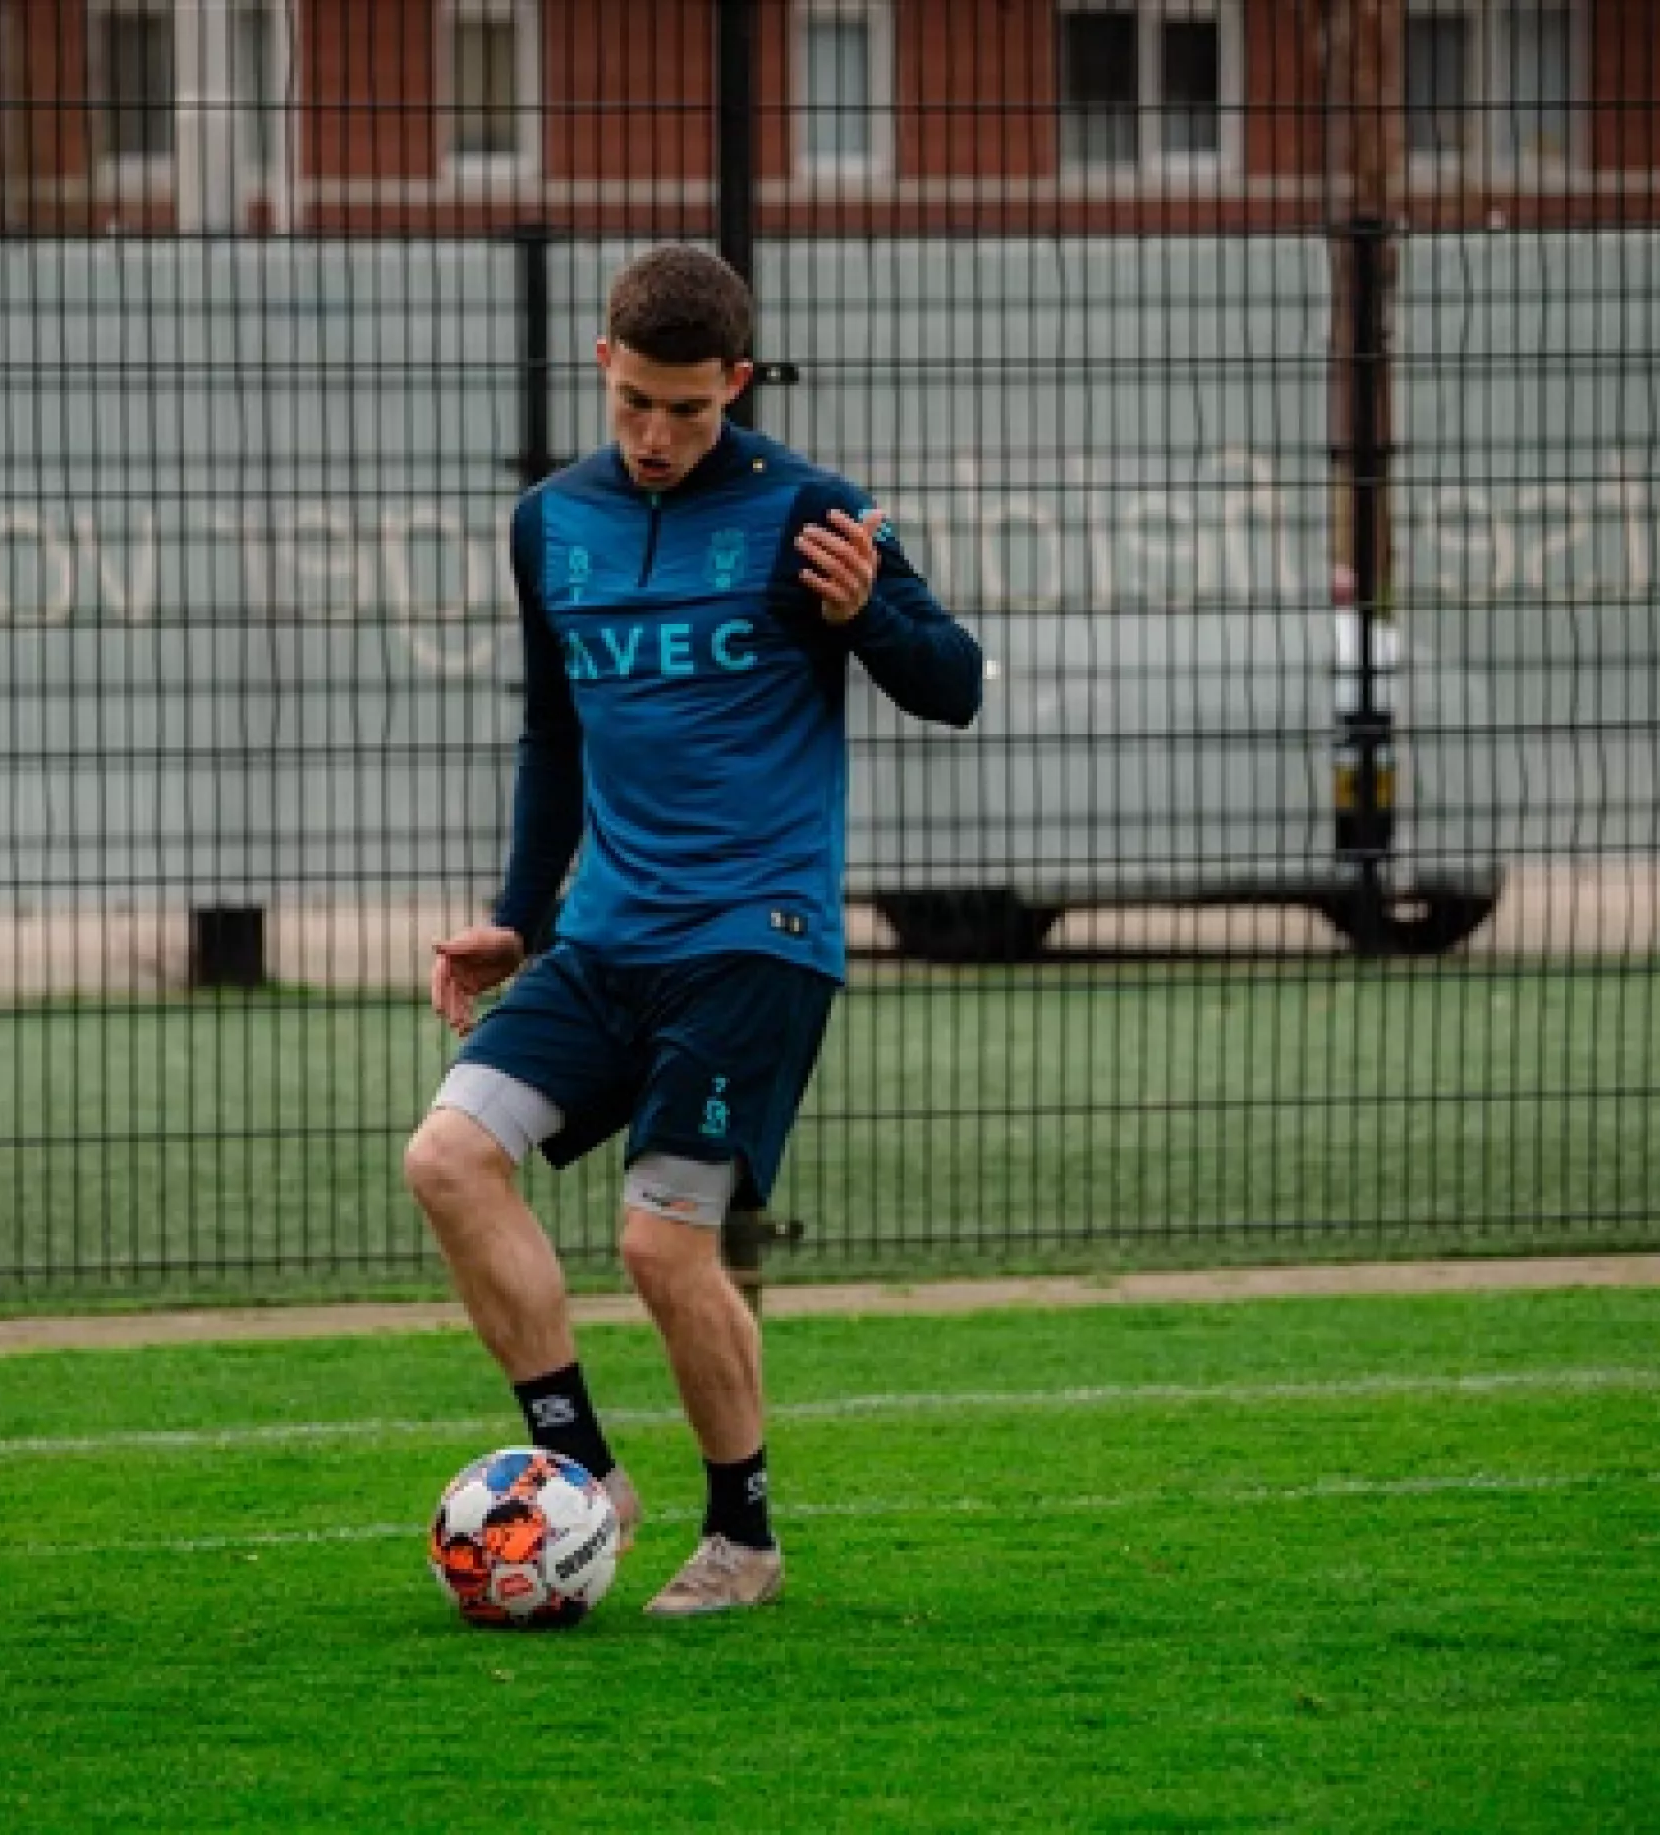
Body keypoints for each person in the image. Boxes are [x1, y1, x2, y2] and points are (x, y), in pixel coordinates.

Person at [401, 245, 984, 1617]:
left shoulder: (811, 512)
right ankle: (584, 1477)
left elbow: (953, 682)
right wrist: (514, 920)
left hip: (755, 936)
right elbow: (557, 731)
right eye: (636, 406)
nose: (658, 438)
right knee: (446, 1157)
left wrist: (868, 614)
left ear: (736, 382)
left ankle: (746, 1538)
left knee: (663, 1244)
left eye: (689, 410)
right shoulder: (550, 523)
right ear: (603, 367)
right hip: (606, 939)